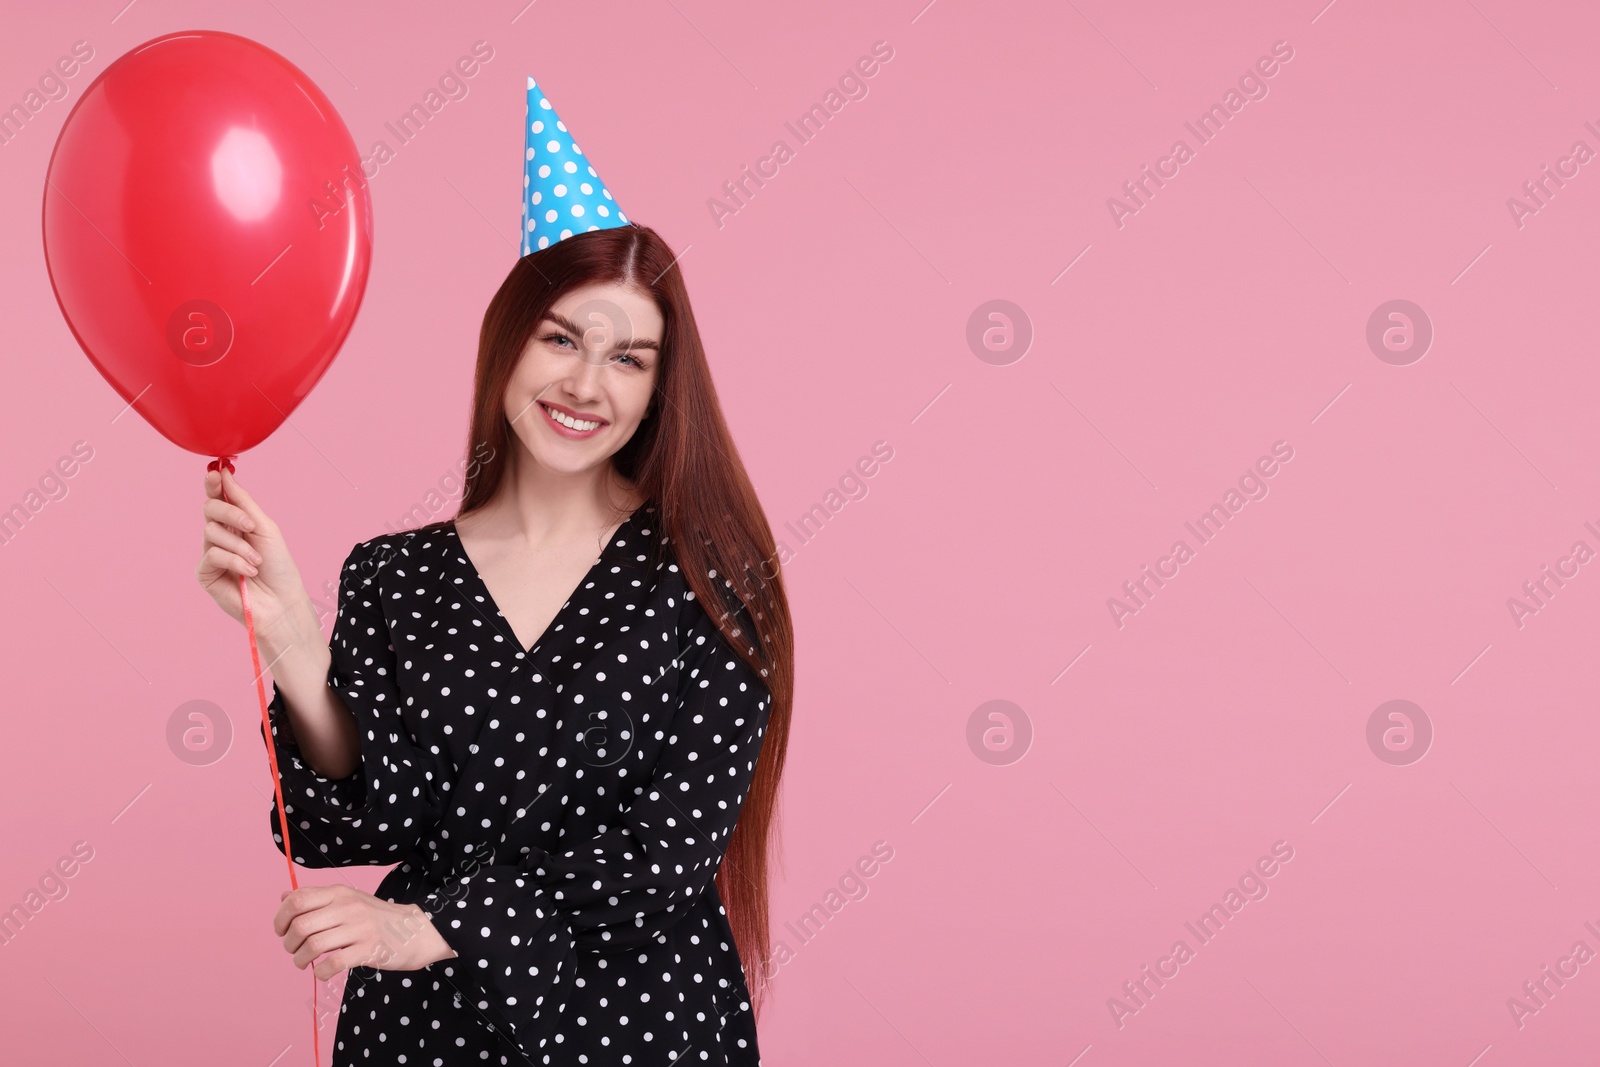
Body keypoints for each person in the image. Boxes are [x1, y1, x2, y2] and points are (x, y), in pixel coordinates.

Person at [196, 222, 794, 1065]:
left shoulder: (710, 579)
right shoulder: (394, 573)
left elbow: (669, 850)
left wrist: (429, 924)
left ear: (662, 386)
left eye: (629, 357)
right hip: (422, 1030)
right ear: (507, 342)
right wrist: (293, 642)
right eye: (561, 338)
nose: (587, 384)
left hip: (642, 1024)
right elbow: (374, 817)